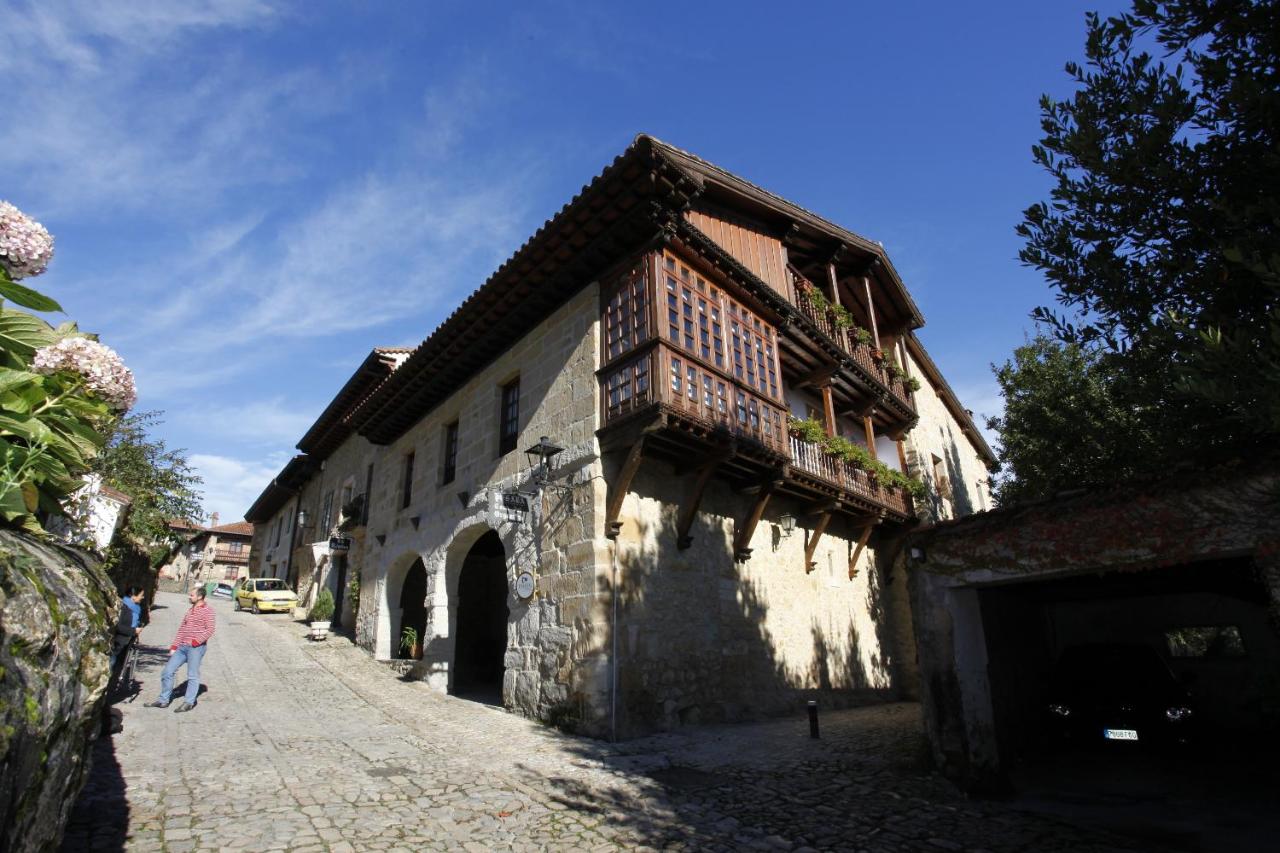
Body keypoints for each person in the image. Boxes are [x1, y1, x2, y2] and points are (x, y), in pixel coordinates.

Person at [146, 586, 216, 713]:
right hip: (182, 647)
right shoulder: (190, 610)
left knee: (192, 675)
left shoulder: (208, 610)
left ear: (200, 597)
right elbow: (182, 629)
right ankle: (163, 700)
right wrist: (174, 646)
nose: (190, 597)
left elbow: (209, 629)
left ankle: (189, 702)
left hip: (196, 648)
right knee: (167, 672)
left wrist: (196, 641)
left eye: (192, 595)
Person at [109, 586, 146, 673]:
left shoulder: (135, 608)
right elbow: (118, 626)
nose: (143, 597)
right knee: (112, 666)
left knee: (118, 669)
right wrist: (134, 631)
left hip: (127, 642)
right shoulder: (123, 607)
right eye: (141, 595)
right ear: (133, 596)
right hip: (118, 643)